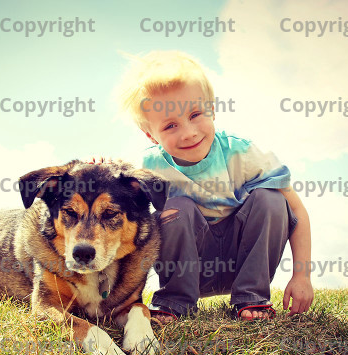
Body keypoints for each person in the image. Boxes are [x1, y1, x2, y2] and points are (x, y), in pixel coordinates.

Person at [91, 50, 313, 323]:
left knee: (272, 198)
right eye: (170, 125)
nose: (189, 132)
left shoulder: (241, 153)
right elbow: (118, 199)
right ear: (150, 134)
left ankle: (251, 297)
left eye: (195, 114)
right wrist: (102, 172)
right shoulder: (150, 168)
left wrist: (302, 275)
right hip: (191, 269)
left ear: (212, 108)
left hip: (243, 261)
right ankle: (174, 300)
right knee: (176, 207)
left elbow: (297, 212)